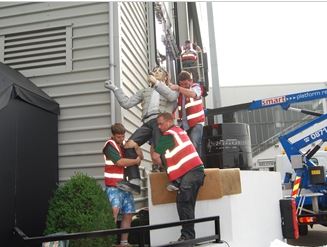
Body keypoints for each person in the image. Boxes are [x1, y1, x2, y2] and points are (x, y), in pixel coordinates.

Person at [104, 66, 178, 193]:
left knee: (160, 151)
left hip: (160, 121)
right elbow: (126, 103)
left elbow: (172, 97)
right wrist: (115, 88)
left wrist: (157, 83)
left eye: (160, 71)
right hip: (147, 122)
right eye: (154, 71)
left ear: (166, 77)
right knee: (129, 145)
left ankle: (175, 179)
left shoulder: (168, 89)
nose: (156, 73)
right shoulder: (144, 91)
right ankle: (134, 182)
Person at [152, 112, 205, 243]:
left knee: (183, 202)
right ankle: (190, 238)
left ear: (169, 122)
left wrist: (160, 162)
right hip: (195, 171)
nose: (159, 127)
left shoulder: (169, 135)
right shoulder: (179, 131)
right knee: (187, 204)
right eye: (157, 124)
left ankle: (187, 238)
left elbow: (155, 156)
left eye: (161, 123)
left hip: (191, 172)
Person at [103, 123, 142, 247]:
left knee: (129, 213)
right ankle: (109, 242)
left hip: (126, 185)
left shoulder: (125, 144)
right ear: (113, 136)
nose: (121, 139)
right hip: (113, 185)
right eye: (119, 137)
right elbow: (119, 162)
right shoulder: (109, 146)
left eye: (123, 136)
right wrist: (135, 161)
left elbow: (141, 156)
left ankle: (124, 243)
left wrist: (136, 147)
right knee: (113, 213)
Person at [169, 70, 205, 159]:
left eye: (186, 83)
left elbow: (194, 94)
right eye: (182, 84)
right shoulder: (179, 94)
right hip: (186, 125)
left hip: (197, 123)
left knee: (194, 143)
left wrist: (178, 88)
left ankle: (197, 168)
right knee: (187, 145)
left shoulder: (196, 87)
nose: (184, 86)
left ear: (191, 81)